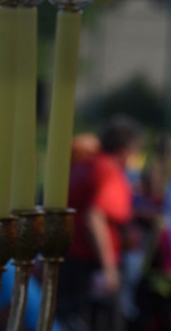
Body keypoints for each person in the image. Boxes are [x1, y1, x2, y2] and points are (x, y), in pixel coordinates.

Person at [57, 115, 144, 331]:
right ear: (125, 149)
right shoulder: (109, 171)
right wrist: (109, 269)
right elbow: (95, 217)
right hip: (91, 268)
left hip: (68, 260)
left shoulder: (84, 165)